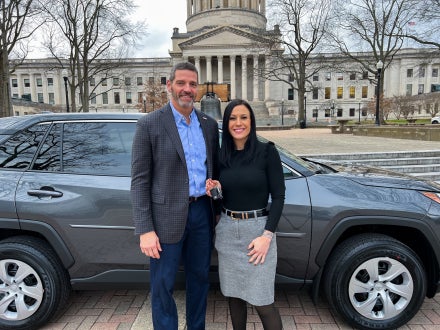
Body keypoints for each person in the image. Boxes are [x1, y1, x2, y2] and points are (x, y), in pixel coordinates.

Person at [131, 61, 219, 330]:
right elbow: (139, 181)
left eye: (192, 84)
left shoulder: (208, 124)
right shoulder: (150, 125)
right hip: (164, 218)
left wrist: (216, 188)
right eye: (181, 83)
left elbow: (215, 172)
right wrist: (145, 229)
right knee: (163, 285)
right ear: (169, 85)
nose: (187, 89)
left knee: (200, 280)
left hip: (202, 214)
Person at [206, 99, 285, 330]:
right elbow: (222, 200)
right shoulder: (222, 156)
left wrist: (266, 237)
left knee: (263, 301)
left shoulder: (267, 151)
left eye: (243, 117)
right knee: (234, 297)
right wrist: (215, 191)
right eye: (232, 118)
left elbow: (279, 197)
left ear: (252, 121)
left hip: (258, 235)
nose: (238, 123)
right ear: (226, 122)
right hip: (228, 231)